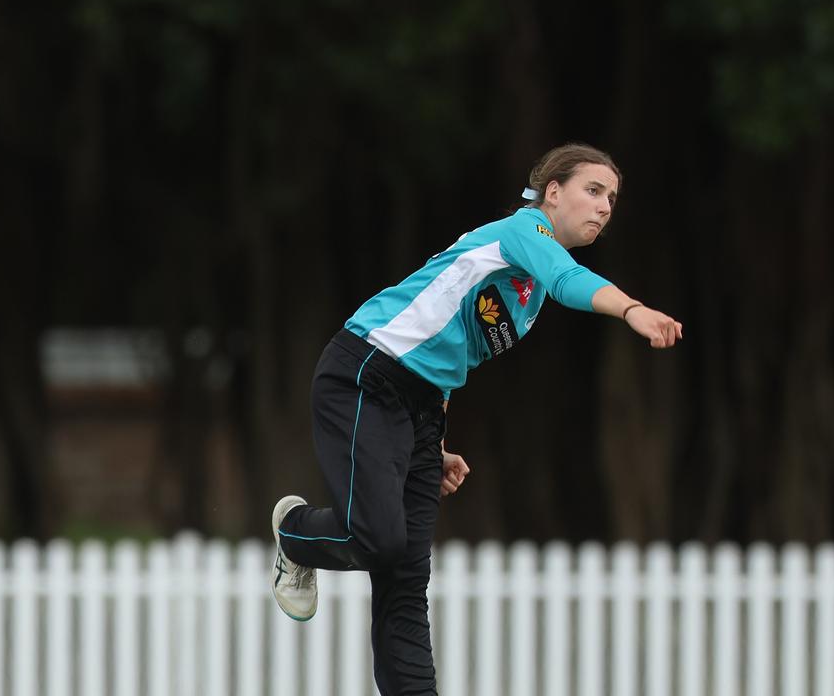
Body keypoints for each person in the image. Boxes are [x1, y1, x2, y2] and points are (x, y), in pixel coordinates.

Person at [268, 142, 683, 695]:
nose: (605, 206)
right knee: (377, 540)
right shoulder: (524, 232)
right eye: (593, 190)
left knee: (406, 579)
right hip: (367, 373)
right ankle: (294, 536)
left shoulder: (529, 294)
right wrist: (632, 309)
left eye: (612, 197)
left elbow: (454, 350)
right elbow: (568, 279)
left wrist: (431, 439)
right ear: (552, 193)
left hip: (419, 407)